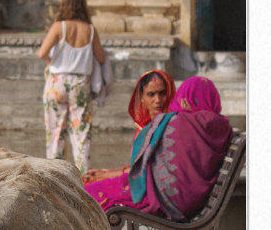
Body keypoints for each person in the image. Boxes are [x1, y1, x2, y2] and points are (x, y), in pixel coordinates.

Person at [82, 73, 233, 221]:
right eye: (151, 94)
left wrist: (108, 175)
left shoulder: (179, 124)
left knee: (85, 194)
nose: (158, 101)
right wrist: (109, 173)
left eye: (162, 93)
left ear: (184, 100)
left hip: (164, 199)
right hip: (183, 199)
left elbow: (150, 168)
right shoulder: (218, 127)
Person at [37, 0, 106, 175]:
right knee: (82, 135)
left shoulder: (59, 27)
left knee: (55, 133)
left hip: (57, 82)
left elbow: (42, 52)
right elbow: (101, 57)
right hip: (80, 84)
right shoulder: (90, 30)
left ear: (64, 4)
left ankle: (55, 178)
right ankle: (84, 178)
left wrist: (54, 64)